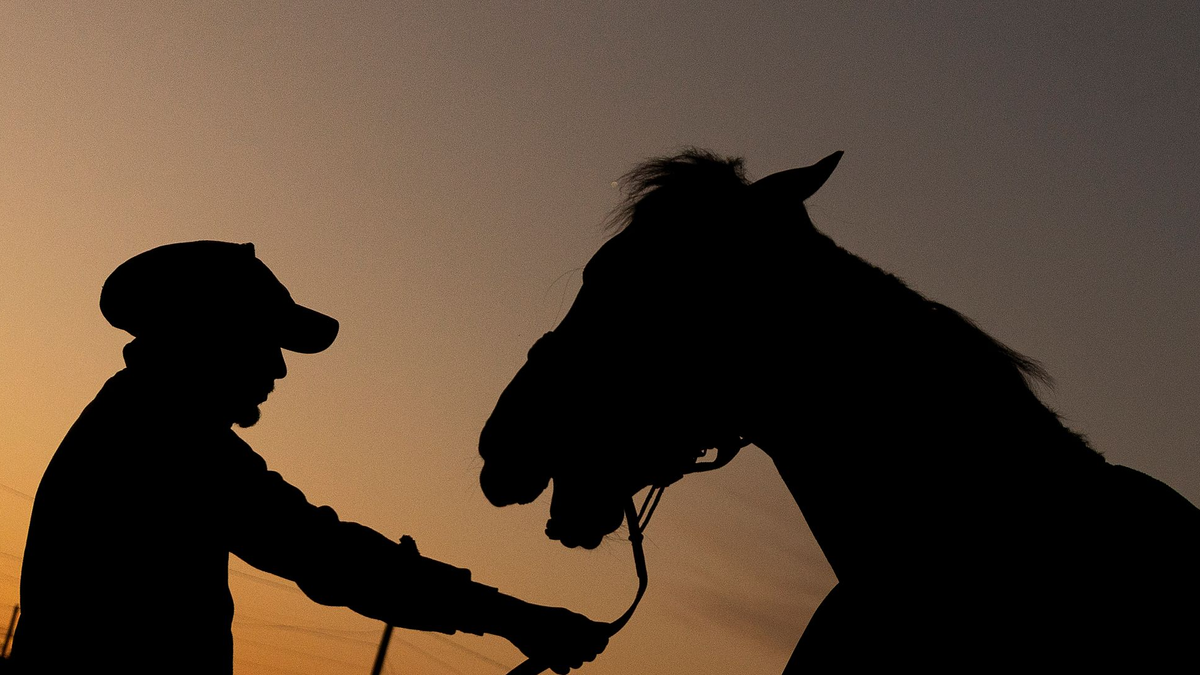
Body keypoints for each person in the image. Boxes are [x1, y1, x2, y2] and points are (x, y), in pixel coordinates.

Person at [11, 241, 608, 674]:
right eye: (263, 341)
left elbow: (319, 550)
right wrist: (516, 618)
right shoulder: (164, 440)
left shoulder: (141, 424)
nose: (278, 367)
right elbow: (324, 554)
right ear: (209, 336)